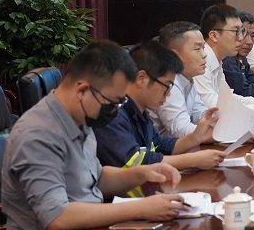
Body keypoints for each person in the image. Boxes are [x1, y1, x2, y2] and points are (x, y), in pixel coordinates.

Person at [1, 41, 187, 230]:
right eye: (112, 102)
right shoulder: (37, 134)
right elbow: (57, 216)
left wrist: (142, 173)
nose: (114, 110)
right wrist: (140, 208)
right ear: (82, 91)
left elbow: (95, 178)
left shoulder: (81, 117)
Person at [94, 41, 224, 171]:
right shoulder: (112, 112)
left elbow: (158, 146)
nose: (168, 94)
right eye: (167, 86)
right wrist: (192, 160)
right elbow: (134, 161)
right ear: (141, 78)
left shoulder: (140, 110)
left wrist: (196, 137)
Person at [195, 3, 254, 113]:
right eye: (236, 31)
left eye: (242, 31)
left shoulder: (218, 61)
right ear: (214, 36)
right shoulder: (200, 60)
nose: (241, 38)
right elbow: (212, 106)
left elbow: (228, 99)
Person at [153, 21, 217, 138]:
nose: (204, 54)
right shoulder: (168, 84)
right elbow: (182, 131)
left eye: (203, 47)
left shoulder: (187, 79)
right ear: (175, 56)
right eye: (197, 49)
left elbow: (202, 116)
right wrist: (226, 134)